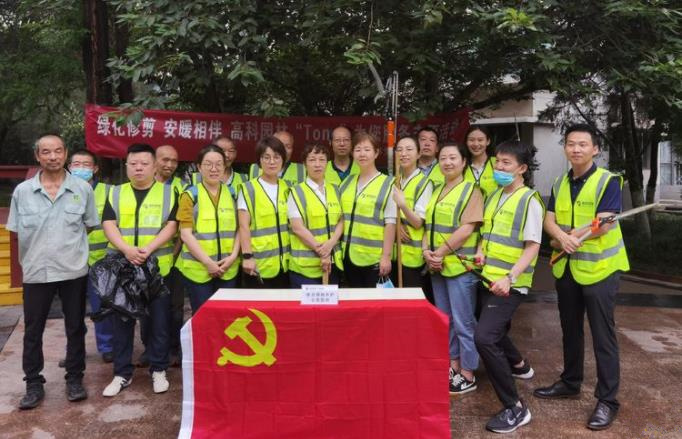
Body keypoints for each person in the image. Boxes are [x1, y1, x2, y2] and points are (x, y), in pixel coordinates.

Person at [534, 124, 629, 431]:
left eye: (583, 144)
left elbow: (605, 223)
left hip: (601, 270)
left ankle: (607, 400)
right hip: (568, 268)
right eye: (571, 144)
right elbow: (549, 219)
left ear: (595, 149)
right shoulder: (561, 180)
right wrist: (561, 237)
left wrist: (574, 237)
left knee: (603, 335)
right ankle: (570, 381)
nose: (576, 149)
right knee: (570, 329)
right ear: (565, 148)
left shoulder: (608, 180)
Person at [7, 134, 98, 409]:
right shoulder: (22, 192)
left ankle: (74, 379)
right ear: (37, 156)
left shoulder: (82, 190)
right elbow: (15, 230)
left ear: (65, 153)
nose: (53, 157)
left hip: (72, 270)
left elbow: (89, 224)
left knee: (76, 327)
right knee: (32, 330)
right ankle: (33, 384)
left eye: (58, 151)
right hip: (37, 271)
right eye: (46, 152)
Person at [473, 140, 543, 434]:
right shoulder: (494, 196)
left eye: (506, 164)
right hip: (488, 277)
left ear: (522, 169)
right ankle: (518, 363)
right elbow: (488, 234)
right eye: (497, 162)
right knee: (493, 330)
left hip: (509, 283)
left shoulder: (530, 201)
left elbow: (532, 246)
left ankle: (515, 407)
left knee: (485, 337)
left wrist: (510, 278)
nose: (499, 168)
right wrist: (480, 250)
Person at [101, 143, 177, 397]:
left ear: (154, 166)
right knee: (122, 322)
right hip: (123, 270)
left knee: (159, 322)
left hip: (157, 271)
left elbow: (171, 226)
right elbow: (109, 225)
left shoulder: (168, 193)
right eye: (133, 163)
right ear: (126, 166)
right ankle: (122, 373)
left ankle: (158, 369)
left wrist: (148, 249)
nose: (139, 168)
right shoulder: (115, 193)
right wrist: (126, 249)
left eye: (144, 163)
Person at [422, 141, 483, 396]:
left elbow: (468, 228)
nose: (447, 162)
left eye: (453, 158)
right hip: (437, 265)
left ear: (463, 162)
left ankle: (468, 372)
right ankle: (453, 364)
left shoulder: (472, 190)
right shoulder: (436, 190)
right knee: (446, 321)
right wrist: (427, 252)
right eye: (443, 158)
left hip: (459, 265)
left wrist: (440, 252)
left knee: (463, 322)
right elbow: (427, 226)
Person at [178, 145, 241, 312]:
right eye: (208, 164)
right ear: (199, 167)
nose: (214, 169)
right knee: (203, 319)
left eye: (219, 164)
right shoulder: (189, 195)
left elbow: (240, 229)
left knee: (227, 319)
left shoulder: (234, 194)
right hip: (199, 271)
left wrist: (233, 256)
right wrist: (208, 263)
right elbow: (185, 234)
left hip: (228, 268)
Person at [68, 149, 113, 364]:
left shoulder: (109, 191)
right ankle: (74, 351)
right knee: (72, 310)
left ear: (95, 168)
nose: (81, 169)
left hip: (101, 261)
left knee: (102, 307)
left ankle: (107, 347)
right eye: (77, 164)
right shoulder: (62, 190)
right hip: (70, 261)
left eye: (86, 165)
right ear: (69, 166)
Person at [339, 131, 395, 287]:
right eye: (357, 150)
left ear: (376, 153)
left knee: (374, 307)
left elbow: (390, 223)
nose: (362, 154)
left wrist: (386, 256)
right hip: (348, 255)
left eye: (367, 149)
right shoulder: (347, 182)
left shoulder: (389, 183)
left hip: (374, 258)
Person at [288, 143, 344, 287]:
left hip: (332, 264)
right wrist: (322, 251)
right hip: (305, 267)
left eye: (322, 159)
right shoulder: (296, 191)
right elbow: (297, 227)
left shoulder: (335, 189)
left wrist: (331, 244)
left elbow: (341, 220)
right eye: (312, 160)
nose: (317, 164)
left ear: (327, 163)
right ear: (305, 164)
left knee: (330, 308)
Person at [238, 136, 291, 288]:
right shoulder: (248, 189)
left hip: (286, 263)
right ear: (259, 161)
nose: (272, 162)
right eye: (266, 157)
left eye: (276, 157)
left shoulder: (288, 188)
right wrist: (247, 256)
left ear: (283, 159)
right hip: (258, 264)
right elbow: (243, 226)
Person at [154, 144, 185, 367]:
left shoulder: (181, 187)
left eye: (174, 161)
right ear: (154, 160)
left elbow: (183, 228)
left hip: (173, 259)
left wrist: (174, 255)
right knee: (148, 309)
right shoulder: (142, 185)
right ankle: (151, 349)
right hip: (144, 260)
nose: (170, 165)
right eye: (165, 160)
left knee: (174, 308)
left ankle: (174, 348)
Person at [390, 136, 433, 289]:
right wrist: (397, 225)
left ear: (419, 154)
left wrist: (402, 205)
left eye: (409, 149)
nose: (403, 153)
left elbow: (418, 222)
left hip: (413, 256)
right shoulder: (395, 181)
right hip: (394, 253)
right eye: (399, 150)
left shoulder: (424, 183)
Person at [463, 125, 498, 199]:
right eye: (471, 140)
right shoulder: (461, 165)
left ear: (488, 141)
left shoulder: (497, 163)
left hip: (492, 209)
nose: (476, 144)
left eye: (480, 140)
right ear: (466, 142)